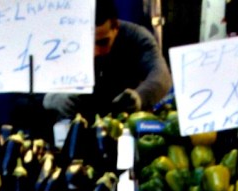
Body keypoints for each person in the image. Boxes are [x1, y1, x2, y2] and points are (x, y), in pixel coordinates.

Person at [43, 0, 173, 120]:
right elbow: (32, 81)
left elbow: (161, 76)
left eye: (102, 42)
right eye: (87, 44)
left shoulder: (137, 37)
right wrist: (50, 98)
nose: (95, 52)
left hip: (124, 122)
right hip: (72, 124)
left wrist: (140, 96)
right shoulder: (59, 40)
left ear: (115, 27)